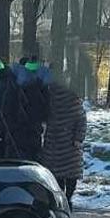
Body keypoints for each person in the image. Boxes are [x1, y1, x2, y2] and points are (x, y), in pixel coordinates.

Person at [36, 63, 86, 202]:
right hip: (68, 141)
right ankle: (67, 198)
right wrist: (78, 138)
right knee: (70, 173)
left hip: (55, 140)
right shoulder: (72, 96)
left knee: (57, 173)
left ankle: (62, 198)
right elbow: (81, 118)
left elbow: (44, 115)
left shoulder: (49, 95)